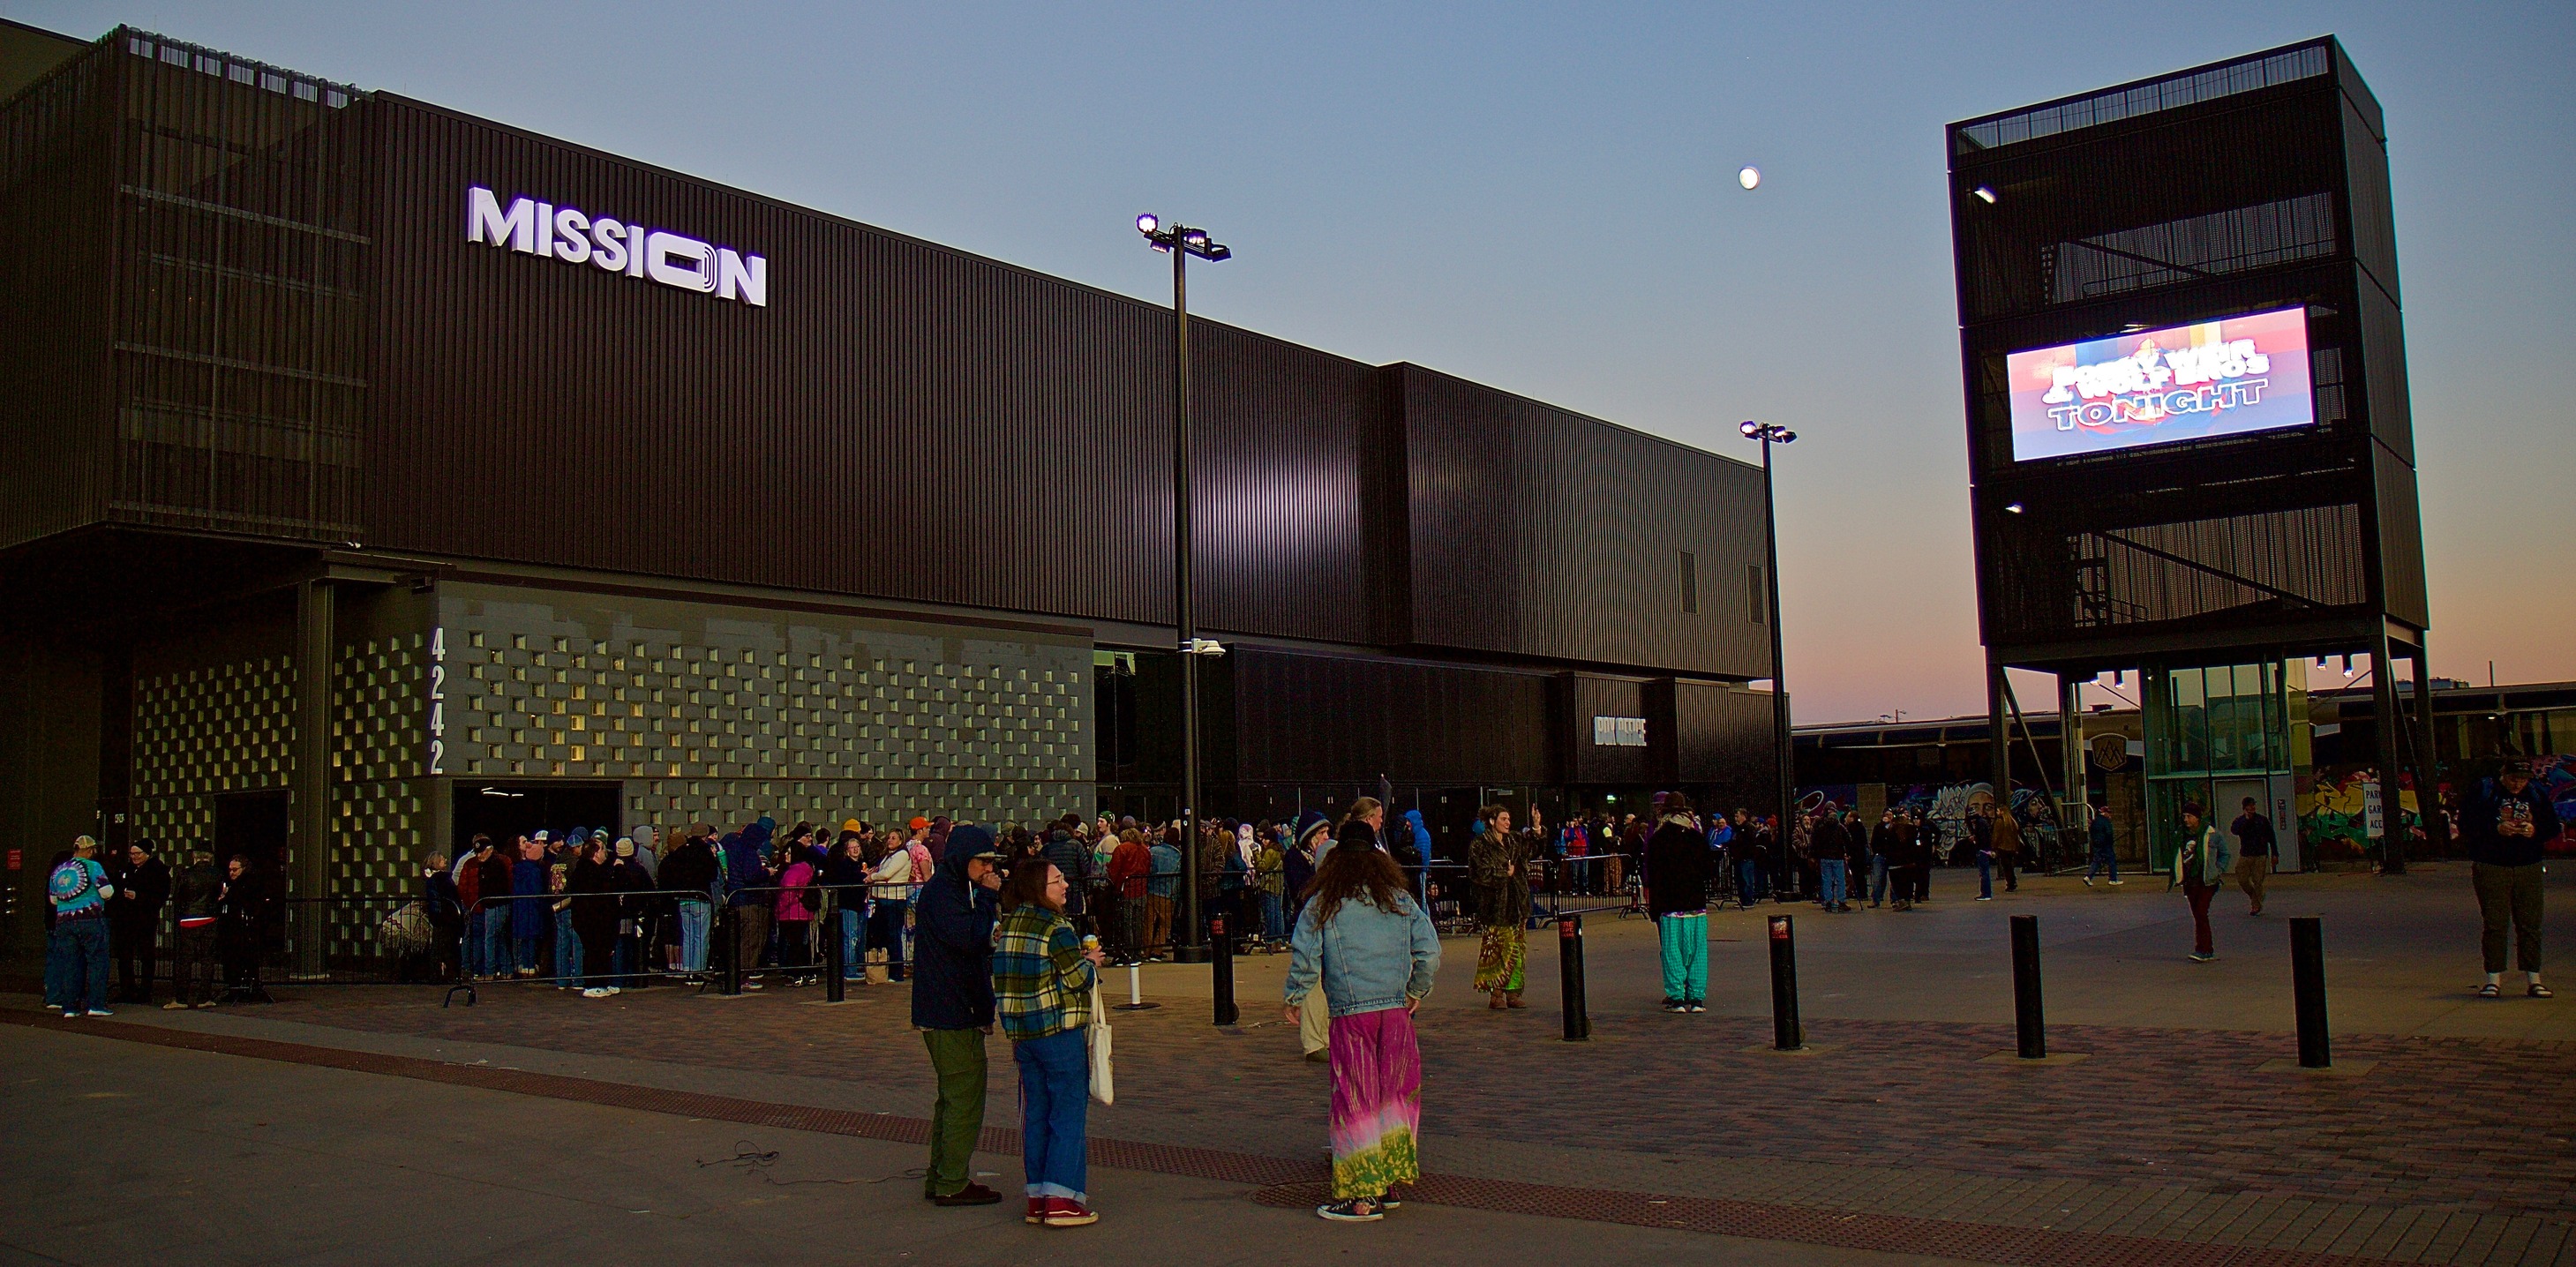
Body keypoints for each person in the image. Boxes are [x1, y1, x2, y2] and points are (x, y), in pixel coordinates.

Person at [1282, 822, 1440, 1223]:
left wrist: (1296, 997)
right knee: (1392, 1099)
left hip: (1352, 1014)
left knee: (1355, 1101)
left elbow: (1305, 955)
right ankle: (1387, 1184)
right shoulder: (1400, 900)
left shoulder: (1324, 904)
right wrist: (1414, 990)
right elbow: (1430, 951)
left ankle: (1359, 1194)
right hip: (1396, 1014)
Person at [992, 858, 1107, 1227]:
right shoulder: (1057, 928)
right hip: (1058, 1030)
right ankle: (1063, 1199)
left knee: (1037, 1113)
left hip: (1022, 1035)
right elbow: (1076, 978)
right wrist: (1091, 962)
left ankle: (1038, 1197)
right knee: (1068, 1112)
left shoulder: (1010, 926)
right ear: (1040, 888)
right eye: (1057, 880)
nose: (1065, 886)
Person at [914, 824, 1007, 1208]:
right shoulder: (945, 893)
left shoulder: (949, 890)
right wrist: (987, 898)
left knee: (951, 1098)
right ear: (963, 859)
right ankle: (952, 1179)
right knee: (964, 1098)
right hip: (950, 1010)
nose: (989, 869)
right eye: (983, 861)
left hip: (951, 1006)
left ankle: (941, 1175)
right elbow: (969, 940)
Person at [2462, 765, 2558, 998]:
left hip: (2528, 864)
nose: (2518, 784)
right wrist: (2495, 828)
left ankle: (2534, 979)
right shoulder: (2486, 791)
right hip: (2492, 864)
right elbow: (2466, 823)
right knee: (2495, 923)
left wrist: (2534, 830)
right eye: (2513, 779)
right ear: (2503, 776)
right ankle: (2493, 979)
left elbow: (2552, 826)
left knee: (2530, 923)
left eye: (2523, 780)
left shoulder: (2536, 793)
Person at [1644, 793, 1712, 1012]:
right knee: (1697, 951)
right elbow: (1708, 870)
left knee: (1672, 950)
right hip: (1696, 903)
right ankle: (1697, 997)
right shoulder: (1696, 837)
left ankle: (1677, 997)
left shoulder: (1659, 838)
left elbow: (1654, 875)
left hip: (1670, 903)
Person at [1468, 804, 1534, 1010]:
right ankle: (1496, 995)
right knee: (1497, 950)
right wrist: (1504, 874)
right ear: (1492, 821)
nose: (1507, 823)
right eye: (1503, 819)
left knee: (1517, 950)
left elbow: (1532, 850)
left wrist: (1538, 827)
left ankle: (1513, 993)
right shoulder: (1480, 845)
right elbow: (1480, 874)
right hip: (1496, 906)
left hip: (1517, 903)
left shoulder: (1514, 840)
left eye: (1509, 819)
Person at [46, 836, 117, 1017]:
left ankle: (70, 1007)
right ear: (91, 850)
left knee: (70, 963)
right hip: (90, 919)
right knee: (97, 961)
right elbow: (106, 892)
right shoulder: (93, 867)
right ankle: (96, 1005)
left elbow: (53, 899)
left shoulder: (59, 870)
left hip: (64, 921)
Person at [111, 840, 171, 1003]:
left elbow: (160, 896)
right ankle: (127, 989)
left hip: (145, 919)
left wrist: (139, 897)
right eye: (132, 854)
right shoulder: (126, 869)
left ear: (147, 853)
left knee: (146, 955)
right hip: (125, 919)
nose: (134, 857)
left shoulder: (158, 870)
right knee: (124, 954)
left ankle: (146, 991)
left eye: (138, 853)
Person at [660, 824, 720, 977]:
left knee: (687, 936)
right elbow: (713, 874)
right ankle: (698, 970)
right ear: (705, 835)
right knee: (701, 936)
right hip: (701, 897)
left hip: (683, 899)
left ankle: (687, 968)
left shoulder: (681, 850)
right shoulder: (705, 851)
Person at [724, 821, 777, 990]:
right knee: (750, 941)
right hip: (749, 900)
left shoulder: (735, 848)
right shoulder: (748, 852)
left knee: (742, 941)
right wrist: (767, 872)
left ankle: (737, 975)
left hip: (737, 899)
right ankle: (743, 977)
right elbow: (752, 875)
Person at [169, 845, 224, 1006]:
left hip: (188, 919)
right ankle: (204, 997)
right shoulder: (217, 874)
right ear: (210, 857)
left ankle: (181, 999)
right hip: (209, 918)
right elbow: (218, 895)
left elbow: (178, 896)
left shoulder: (185, 874)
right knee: (207, 959)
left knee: (185, 960)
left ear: (195, 856)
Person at [567, 839, 621, 997]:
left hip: (598, 917)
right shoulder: (588, 871)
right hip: (592, 918)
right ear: (596, 853)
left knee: (603, 950)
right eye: (603, 850)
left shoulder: (592, 870)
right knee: (595, 950)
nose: (606, 853)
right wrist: (617, 869)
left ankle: (604, 982)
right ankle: (593, 984)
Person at [2176, 802, 2227, 963]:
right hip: (2190, 881)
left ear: (2197, 818)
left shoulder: (2212, 834)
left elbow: (2224, 854)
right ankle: (2204, 949)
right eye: (2184, 816)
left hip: (2207, 881)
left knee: (2201, 912)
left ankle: (2204, 949)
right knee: (2198, 915)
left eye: (2189, 816)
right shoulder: (2181, 835)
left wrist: (2218, 870)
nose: (2186, 819)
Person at [217, 853, 272, 1002]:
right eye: (230, 870)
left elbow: (248, 902)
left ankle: (245, 988)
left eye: (235, 870)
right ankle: (234, 987)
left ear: (244, 868)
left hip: (245, 928)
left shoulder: (249, 883)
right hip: (233, 927)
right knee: (232, 958)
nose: (232, 873)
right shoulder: (233, 884)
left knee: (245, 958)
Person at [867, 825, 916, 981]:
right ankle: (886, 969)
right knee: (885, 935)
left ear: (901, 840)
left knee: (894, 936)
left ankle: (897, 972)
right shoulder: (888, 855)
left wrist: (872, 877)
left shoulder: (901, 855)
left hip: (894, 900)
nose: (890, 841)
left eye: (894, 838)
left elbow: (887, 873)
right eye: (889, 838)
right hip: (883, 898)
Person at [822, 829, 873, 982]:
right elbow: (850, 880)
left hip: (860, 904)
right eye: (852, 847)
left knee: (860, 937)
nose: (856, 849)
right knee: (850, 937)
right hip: (848, 904)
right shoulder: (845, 865)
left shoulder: (860, 865)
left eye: (857, 846)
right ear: (846, 851)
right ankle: (849, 970)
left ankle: (857, 965)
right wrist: (865, 876)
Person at [776, 841, 818, 986]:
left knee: (795, 944)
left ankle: (798, 974)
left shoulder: (793, 871)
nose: (785, 855)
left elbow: (787, 894)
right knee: (804, 944)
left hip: (791, 912)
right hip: (804, 911)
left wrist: (778, 910)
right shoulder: (807, 868)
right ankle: (809, 973)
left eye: (788, 852)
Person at [2231, 797, 2276, 915]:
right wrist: (2246, 820)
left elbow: (2271, 837)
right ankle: (2255, 896)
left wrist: (2275, 853)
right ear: (2245, 807)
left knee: (2258, 881)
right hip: (2245, 854)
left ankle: (2256, 905)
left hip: (2260, 855)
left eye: (2253, 805)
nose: (2252, 807)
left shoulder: (2262, 820)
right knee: (2242, 879)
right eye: (2250, 805)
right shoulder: (2240, 821)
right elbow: (2234, 830)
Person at [510, 839, 548, 978]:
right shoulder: (535, 871)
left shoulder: (517, 869)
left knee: (522, 937)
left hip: (519, 907)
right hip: (532, 908)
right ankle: (530, 965)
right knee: (532, 938)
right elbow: (537, 891)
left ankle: (522, 965)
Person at [1145, 828, 1182, 959]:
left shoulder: (1153, 851)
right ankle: (1157, 950)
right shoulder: (1178, 856)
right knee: (1165, 924)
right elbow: (1177, 879)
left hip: (1150, 890)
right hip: (1167, 893)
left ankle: (1145, 950)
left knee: (1148, 923)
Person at [1808, 806, 1851, 913]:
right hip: (1838, 857)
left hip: (1824, 858)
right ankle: (1841, 901)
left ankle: (1828, 902)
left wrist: (1814, 854)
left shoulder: (1822, 828)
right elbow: (1848, 839)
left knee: (1827, 880)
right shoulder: (1840, 827)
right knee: (1840, 880)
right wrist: (1848, 852)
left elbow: (1815, 841)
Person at [1254, 828, 1288, 942]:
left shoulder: (1270, 852)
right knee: (1278, 913)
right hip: (1278, 886)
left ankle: (1271, 939)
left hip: (1269, 885)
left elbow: (1262, 866)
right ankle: (1280, 939)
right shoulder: (1279, 850)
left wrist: (1256, 854)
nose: (1263, 841)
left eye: (1266, 839)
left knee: (1270, 914)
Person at [2083, 805, 2122, 887]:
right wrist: (2110, 842)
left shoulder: (2095, 821)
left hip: (2097, 844)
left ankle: (2088, 876)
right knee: (2111, 860)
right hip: (2106, 844)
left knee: (2097, 861)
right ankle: (2113, 879)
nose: (2110, 815)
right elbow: (2109, 833)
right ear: (2105, 813)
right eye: (2109, 813)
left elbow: (2092, 832)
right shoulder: (2106, 822)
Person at [1991, 805, 2023, 894]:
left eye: (1998, 811)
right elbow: (2016, 836)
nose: (1996, 813)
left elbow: (1996, 836)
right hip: (2012, 848)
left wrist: (1993, 846)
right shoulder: (2012, 822)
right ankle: (2013, 882)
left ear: (2002, 812)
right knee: (2010, 866)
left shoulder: (1999, 822)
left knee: (2006, 867)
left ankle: (2010, 884)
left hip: (2003, 847)